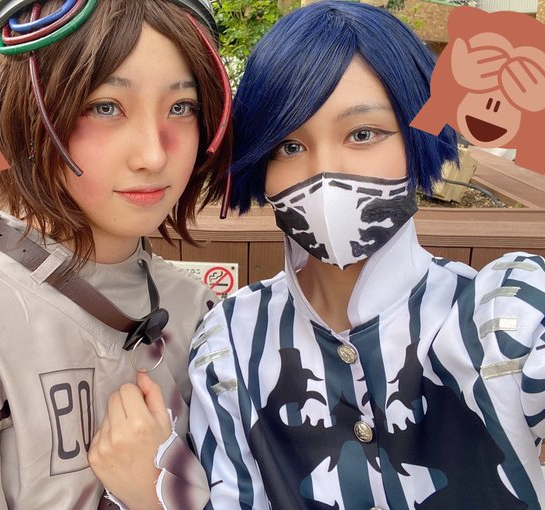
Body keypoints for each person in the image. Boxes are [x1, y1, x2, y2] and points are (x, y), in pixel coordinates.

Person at [0, 0, 232, 508]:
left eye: (181, 107)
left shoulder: (200, 312)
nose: (153, 154)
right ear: (24, 115)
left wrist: (159, 494)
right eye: (105, 107)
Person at [188, 2, 545, 509]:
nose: (324, 172)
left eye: (362, 134)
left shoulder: (503, 318)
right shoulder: (229, 341)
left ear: (419, 134)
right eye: (288, 146)